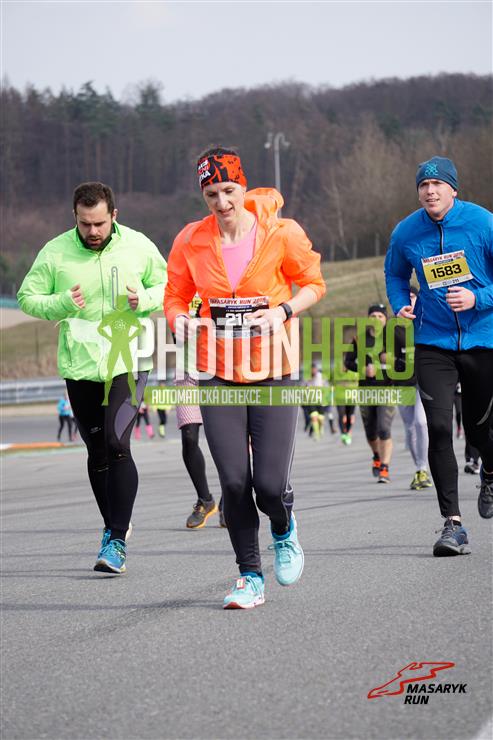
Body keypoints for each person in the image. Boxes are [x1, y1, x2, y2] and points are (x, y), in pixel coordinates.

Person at [165, 147, 325, 608]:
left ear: (243, 186)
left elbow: (314, 283)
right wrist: (180, 320)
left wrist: (283, 310)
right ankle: (250, 576)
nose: (222, 202)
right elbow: (175, 295)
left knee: (270, 486)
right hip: (218, 374)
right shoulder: (191, 240)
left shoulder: (282, 233)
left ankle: (284, 528)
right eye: (211, 194)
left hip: (274, 371)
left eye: (229, 190)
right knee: (234, 483)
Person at [18, 181, 167, 573]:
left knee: (118, 443)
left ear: (114, 215)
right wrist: (62, 303)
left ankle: (116, 541)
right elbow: (27, 298)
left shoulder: (138, 245)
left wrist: (144, 299)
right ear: (75, 217)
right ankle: (112, 525)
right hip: (81, 364)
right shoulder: (55, 252)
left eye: (100, 223)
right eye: (85, 224)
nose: (93, 231)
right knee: (97, 451)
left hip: (129, 358)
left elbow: (169, 285)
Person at [385, 156, 493, 556]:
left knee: (480, 429)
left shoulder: (482, 223)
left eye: (437, 185)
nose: (430, 191)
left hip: (482, 339)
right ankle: (453, 525)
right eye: (423, 186)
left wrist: (478, 298)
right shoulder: (406, 231)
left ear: (453, 189)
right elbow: (395, 273)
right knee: (440, 427)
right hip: (433, 341)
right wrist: (400, 301)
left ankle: (490, 472)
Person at [344, 303, 396, 483]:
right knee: (371, 432)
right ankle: (376, 455)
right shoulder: (359, 339)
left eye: (380, 316)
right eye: (373, 316)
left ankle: (385, 468)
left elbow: (404, 361)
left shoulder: (393, 339)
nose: (376, 319)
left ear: (386, 319)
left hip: (387, 390)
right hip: (365, 390)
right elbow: (347, 362)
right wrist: (362, 369)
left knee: (384, 428)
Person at [394, 287, 432, 491]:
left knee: (421, 422)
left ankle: (423, 468)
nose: (408, 300)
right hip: (402, 382)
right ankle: (419, 469)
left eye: (412, 297)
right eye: (405, 297)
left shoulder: (427, 320)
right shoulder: (394, 327)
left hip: (423, 380)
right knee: (410, 429)